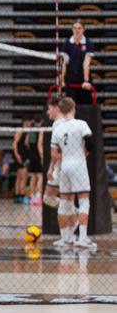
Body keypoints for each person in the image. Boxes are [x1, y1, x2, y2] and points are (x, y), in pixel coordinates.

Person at [50, 96, 96, 250]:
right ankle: (82, 238)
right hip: (78, 164)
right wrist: (85, 153)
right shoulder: (81, 124)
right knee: (83, 200)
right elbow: (90, 142)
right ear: (73, 108)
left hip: (64, 166)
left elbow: (55, 152)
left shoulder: (58, 128)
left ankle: (65, 239)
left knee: (65, 202)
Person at [61, 20, 95, 105]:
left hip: (83, 77)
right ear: (72, 29)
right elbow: (64, 63)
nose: (77, 30)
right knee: (71, 104)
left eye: (79, 28)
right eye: (75, 28)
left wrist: (86, 80)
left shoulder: (88, 43)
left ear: (83, 30)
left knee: (85, 104)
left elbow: (86, 63)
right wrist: (62, 80)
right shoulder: (67, 43)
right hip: (70, 78)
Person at [43, 99, 65, 216]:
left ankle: (75, 214)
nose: (48, 112)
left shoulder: (59, 124)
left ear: (57, 108)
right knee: (49, 198)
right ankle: (74, 213)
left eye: (49, 108)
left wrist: (51, 167)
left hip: (62, 167)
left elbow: (56, 151)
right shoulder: (61, 122)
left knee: (50, 197)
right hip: (61, 166)